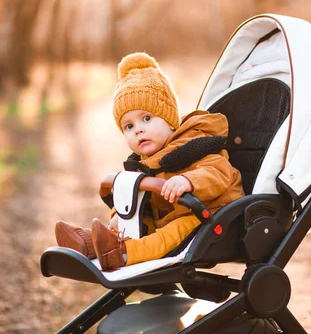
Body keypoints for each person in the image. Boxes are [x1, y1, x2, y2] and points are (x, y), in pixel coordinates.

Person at [55, 52, 244, 271]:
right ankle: (92, 245)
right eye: (129, 126)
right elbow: (137, 197)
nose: (139, 129)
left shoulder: (193, 145)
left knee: (170, 233)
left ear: (170, 120)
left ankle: (124, 253)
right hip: (170, 215)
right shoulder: (145, 161)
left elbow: (218, 172)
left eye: (147, 118)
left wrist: (188, 181)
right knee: (138, 221)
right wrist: (119, 217)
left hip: (209, 217)